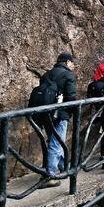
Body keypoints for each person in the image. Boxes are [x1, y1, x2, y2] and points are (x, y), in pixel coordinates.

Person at [38, 52, 77, 188]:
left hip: (45, 113)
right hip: (60, 114)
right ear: (67, 62)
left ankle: (63, 166)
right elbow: (71, 97)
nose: (73, 65)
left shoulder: (46, 75)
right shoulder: (68, 75)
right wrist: (71, 113)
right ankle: (50, 174)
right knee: (56, 142)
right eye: (72, 63)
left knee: (55, 140)